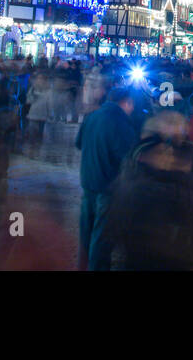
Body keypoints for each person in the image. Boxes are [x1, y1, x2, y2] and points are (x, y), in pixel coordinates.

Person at [105, 110, 193, 270]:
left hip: (168, 249)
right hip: (147, 248)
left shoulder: (189, 164)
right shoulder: (138, 159)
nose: (166, 154)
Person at [74, 86, 139, 270]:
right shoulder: (120, 122)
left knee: (87, 232)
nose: (132, 110)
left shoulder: (92, 116)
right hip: (108, 187)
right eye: (132, 105)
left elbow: (79, 144)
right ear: (127, 102)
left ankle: (83, 266)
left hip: (88, 182)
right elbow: (127, 156)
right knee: (102, 237)